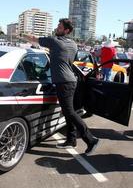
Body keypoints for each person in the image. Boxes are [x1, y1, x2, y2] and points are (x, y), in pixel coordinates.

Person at [21, 18, 99, 155]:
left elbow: (34, 38)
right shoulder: (73, 45)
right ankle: (71, 139)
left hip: (64, 82)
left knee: (69, 112)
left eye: (60, 26)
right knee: (67, 111)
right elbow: (68, 60)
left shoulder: (54, 41)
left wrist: (22, 34)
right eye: (58, 25)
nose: (57, 28)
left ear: (66, 30)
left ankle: (91, 140)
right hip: (70, 81)